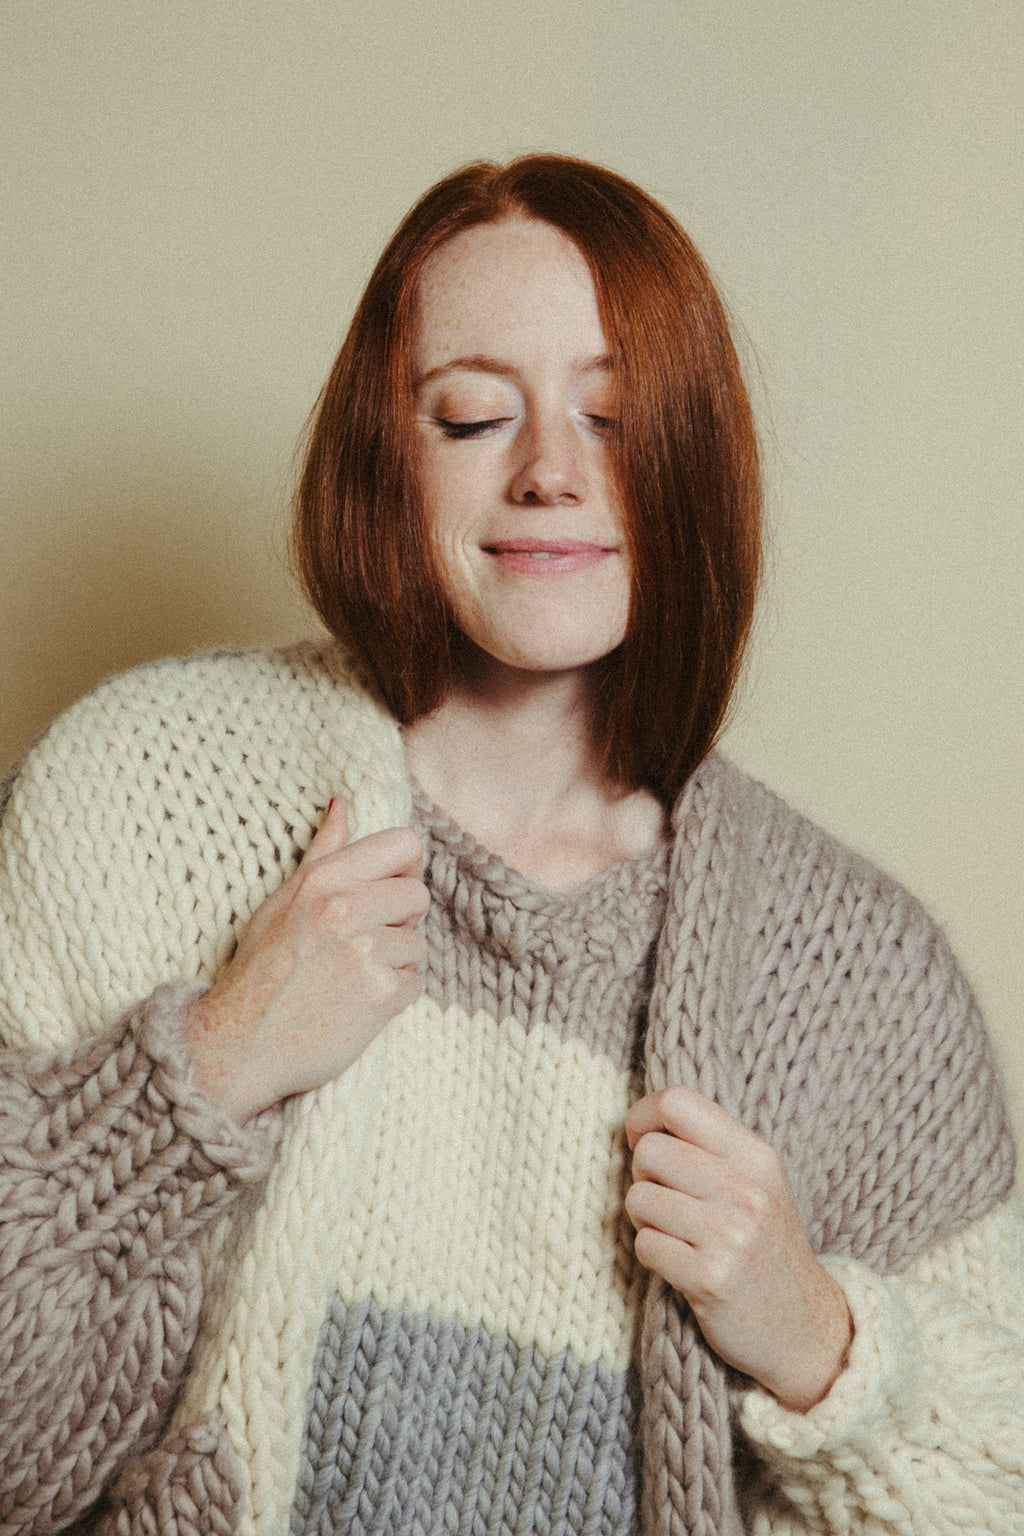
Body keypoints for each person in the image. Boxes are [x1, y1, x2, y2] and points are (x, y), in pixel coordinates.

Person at [0, 155, 1021, 1536]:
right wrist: (211, 1066)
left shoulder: (861, 986)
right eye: (474, 415)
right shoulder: (144, 796)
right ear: (386, 452)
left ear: (693, 460)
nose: (550, 471)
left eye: (612, 415)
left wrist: (824, 1342)